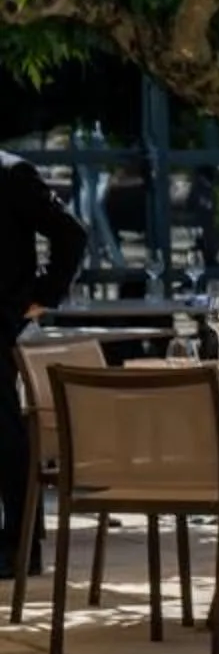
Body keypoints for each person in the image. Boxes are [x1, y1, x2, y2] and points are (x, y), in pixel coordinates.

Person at [0, 152, 90, 572]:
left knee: (3, 430)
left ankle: (20, 545)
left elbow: (71, 234)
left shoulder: (11, 173)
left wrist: (42, 295)